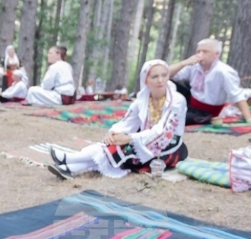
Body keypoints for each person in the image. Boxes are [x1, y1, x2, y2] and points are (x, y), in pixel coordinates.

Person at [47, 59, 187, 180]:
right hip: (144, 139)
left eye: (164, 75)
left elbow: (163, 132)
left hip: (168, 146)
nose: (160, 80)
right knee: (112, 145)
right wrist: (113, 132)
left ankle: (69, 161)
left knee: (123, 151)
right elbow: (128, 121)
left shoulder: (177, 100)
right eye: (155, 76)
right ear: (146, 80)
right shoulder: (142, 99)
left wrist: (130, 138)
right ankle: (69, 168)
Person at [168, 38, 251, 125]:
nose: (200, 55)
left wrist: (248, 119)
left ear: (216, 54)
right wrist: (183, 63)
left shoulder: (224, 72)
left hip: (206, 112)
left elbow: (237, 96)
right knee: (166, 82)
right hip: (191, 101)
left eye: (205, 52)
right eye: (198, 51)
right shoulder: (194, 66)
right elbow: (165, 74)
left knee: (176, 119)